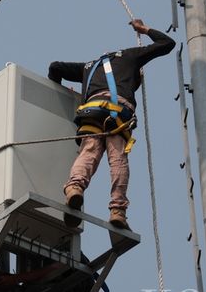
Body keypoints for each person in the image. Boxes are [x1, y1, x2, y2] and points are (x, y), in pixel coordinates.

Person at [48, 18, 175, 229]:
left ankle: (74, 188)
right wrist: (145, 29)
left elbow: (55, 67)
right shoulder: (130, 57)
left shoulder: (88, 67)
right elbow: (167, 44)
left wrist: (61, 93)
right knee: (118, 160)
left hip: (92, 112)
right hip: (118, 114)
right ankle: (118, 211)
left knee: (88, 151)